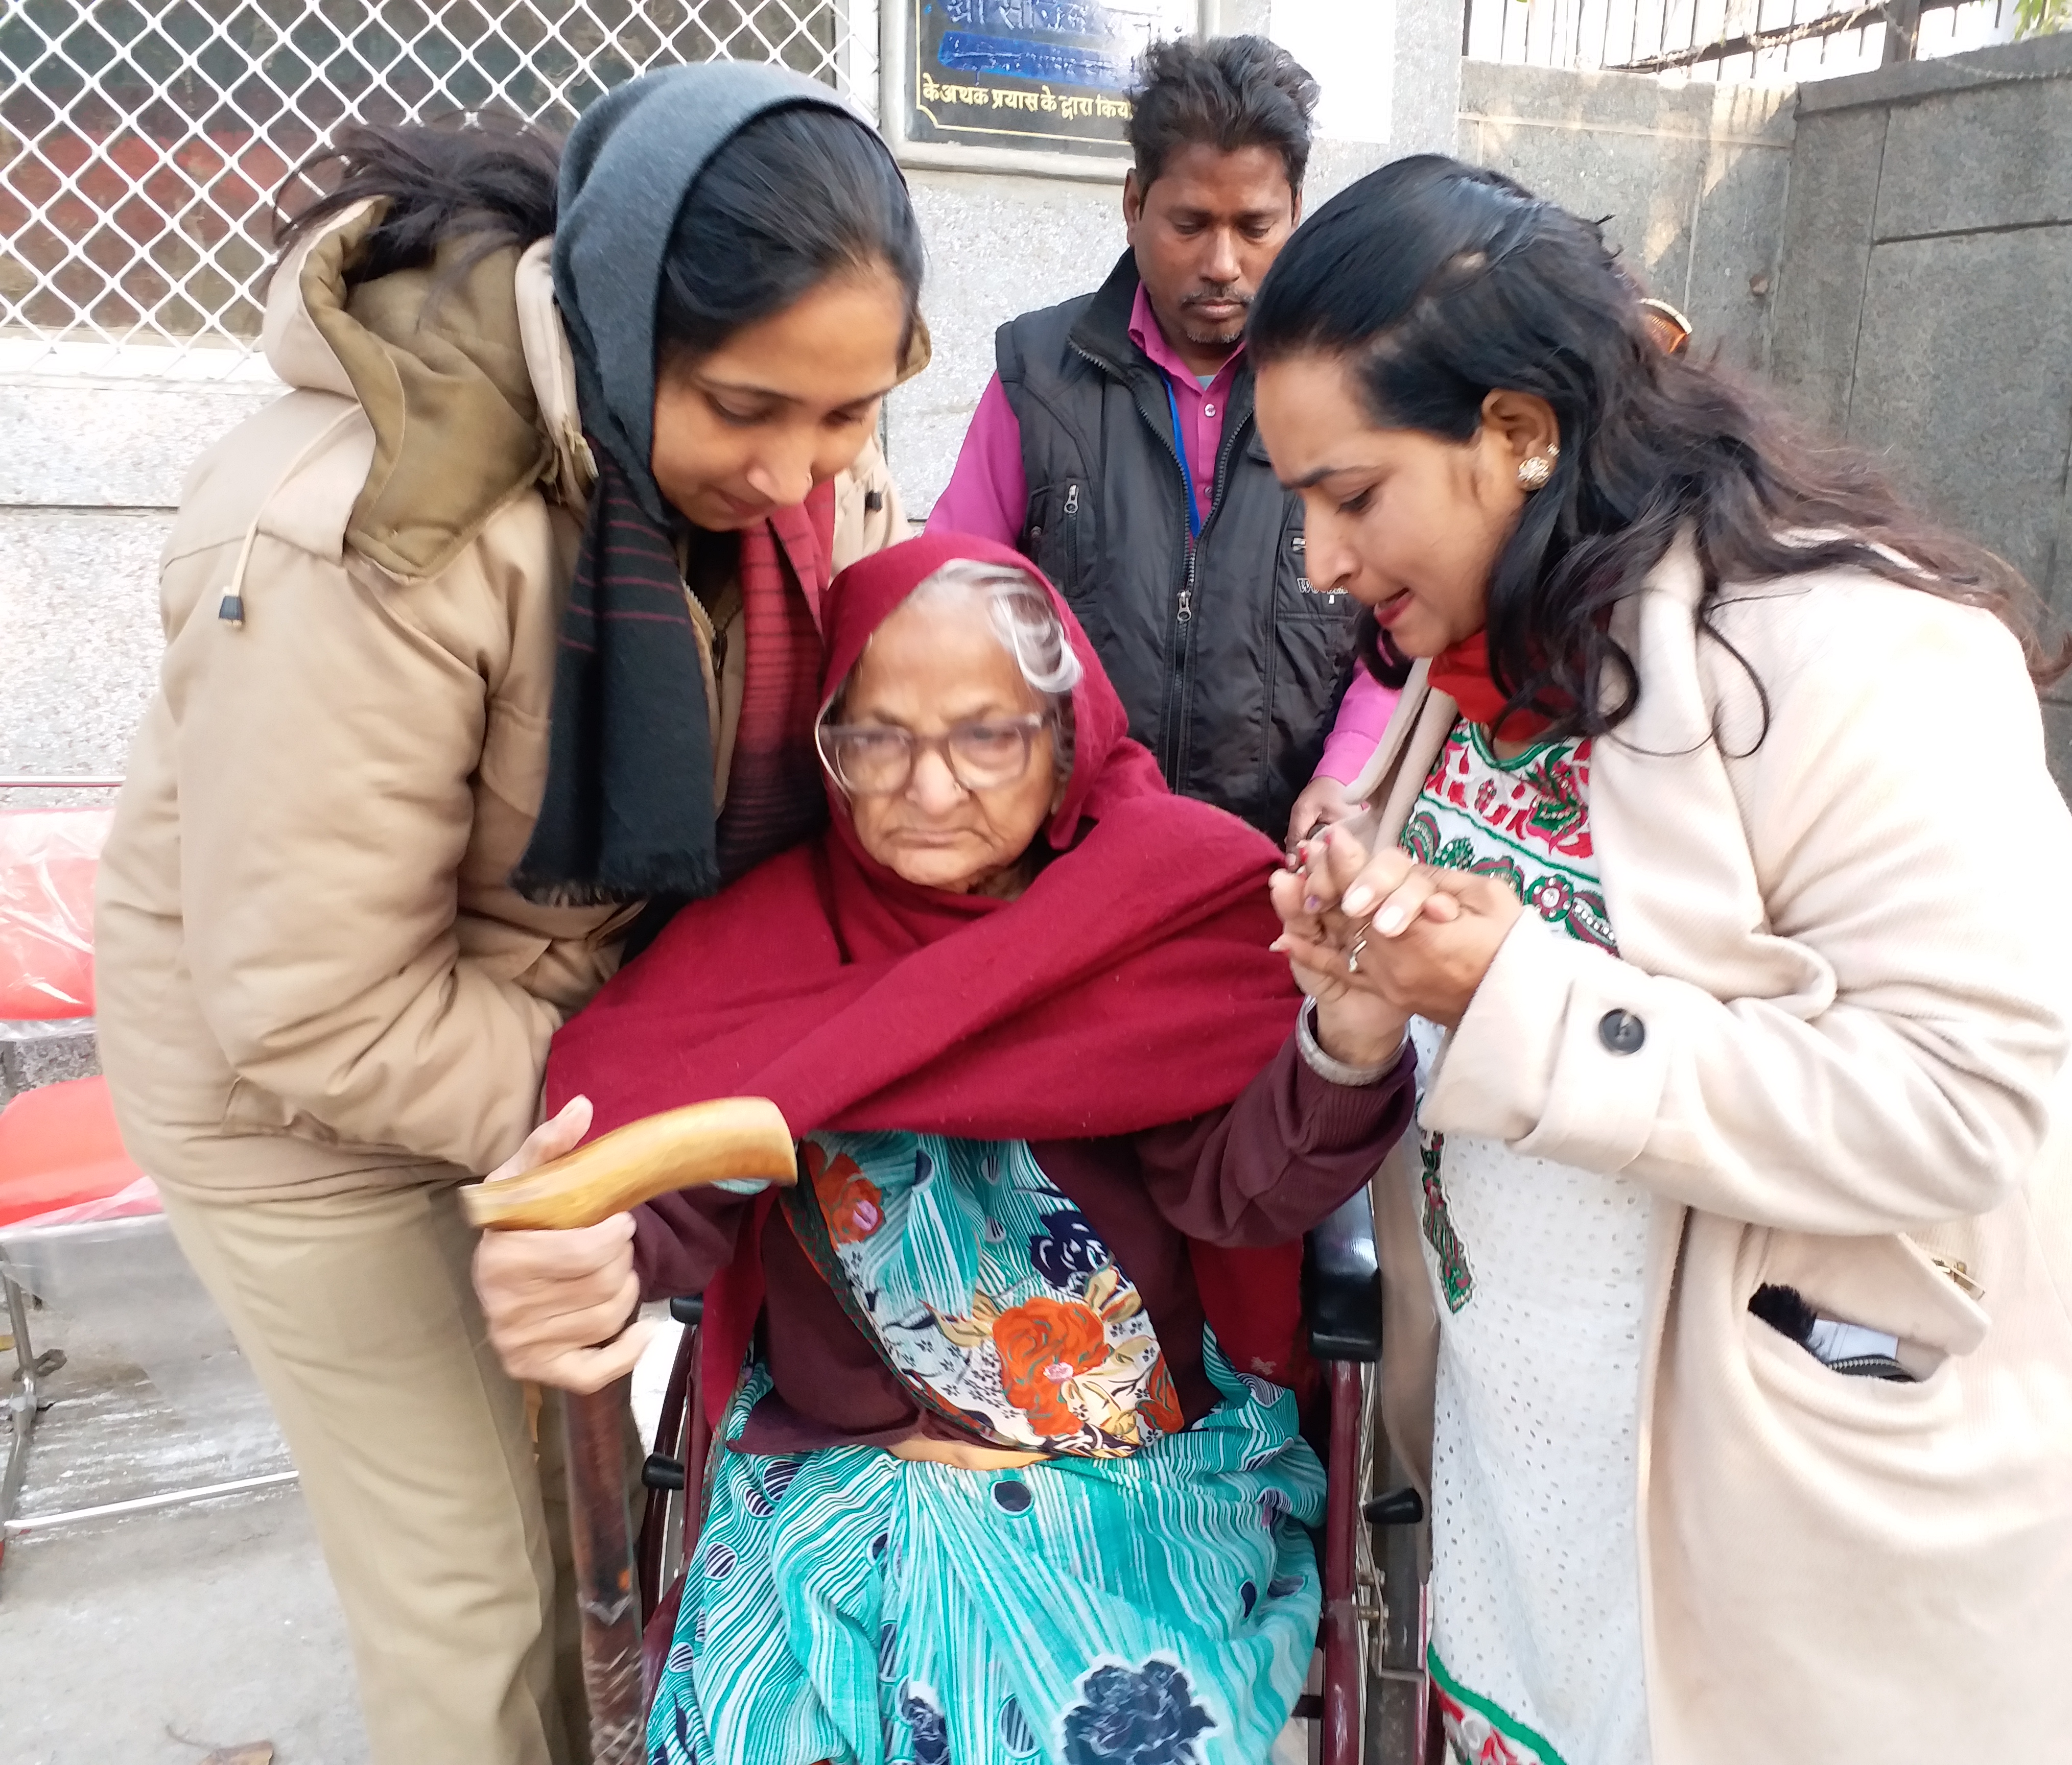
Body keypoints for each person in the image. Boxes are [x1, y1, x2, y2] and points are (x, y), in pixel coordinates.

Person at [1251, 156, 2072, 1765]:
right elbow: (1487, 1015)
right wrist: (1370, 1001)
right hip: (1535, 1492)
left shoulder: (1859, 654)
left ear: (1518, 435)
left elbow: (1954, 1105)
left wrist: (1511, 996)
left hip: (1790, 1516)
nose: (1319, 564)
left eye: (1351, 497)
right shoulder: (1499, 648)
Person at [92, 65, 923, 1764]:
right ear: (626, 327)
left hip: (554, 1047)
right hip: (300, 1111)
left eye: (849, 415)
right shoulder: (365, 535)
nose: (798, 471)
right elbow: (316, 1001)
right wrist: (664, 1099)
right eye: (749, 406)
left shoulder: (774, 484)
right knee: (476, 1582)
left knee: (590, 1528)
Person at [469, 533, 1416, 1765]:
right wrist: (587, 1255)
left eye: (987, 735)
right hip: (826, 1488)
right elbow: (659, 1198)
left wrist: (1345, 1038)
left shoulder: (1175, 901)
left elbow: (1243, 1196)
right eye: (876, 737)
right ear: (826, 748)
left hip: (1122, 1495)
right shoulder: (757, 944)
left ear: (1066, 738)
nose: (927, 789)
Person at [926, 33, 1387, 845]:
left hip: (1277, 862)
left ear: (1297, 215)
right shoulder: (1038, 377)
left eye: (1255, 226)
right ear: (1134, 202)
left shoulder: (1355, 391)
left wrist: (1345, 772)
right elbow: (950, 596)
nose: (1222, 262)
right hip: (1072, 847)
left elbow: (1400, 626)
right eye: (1190, 223)